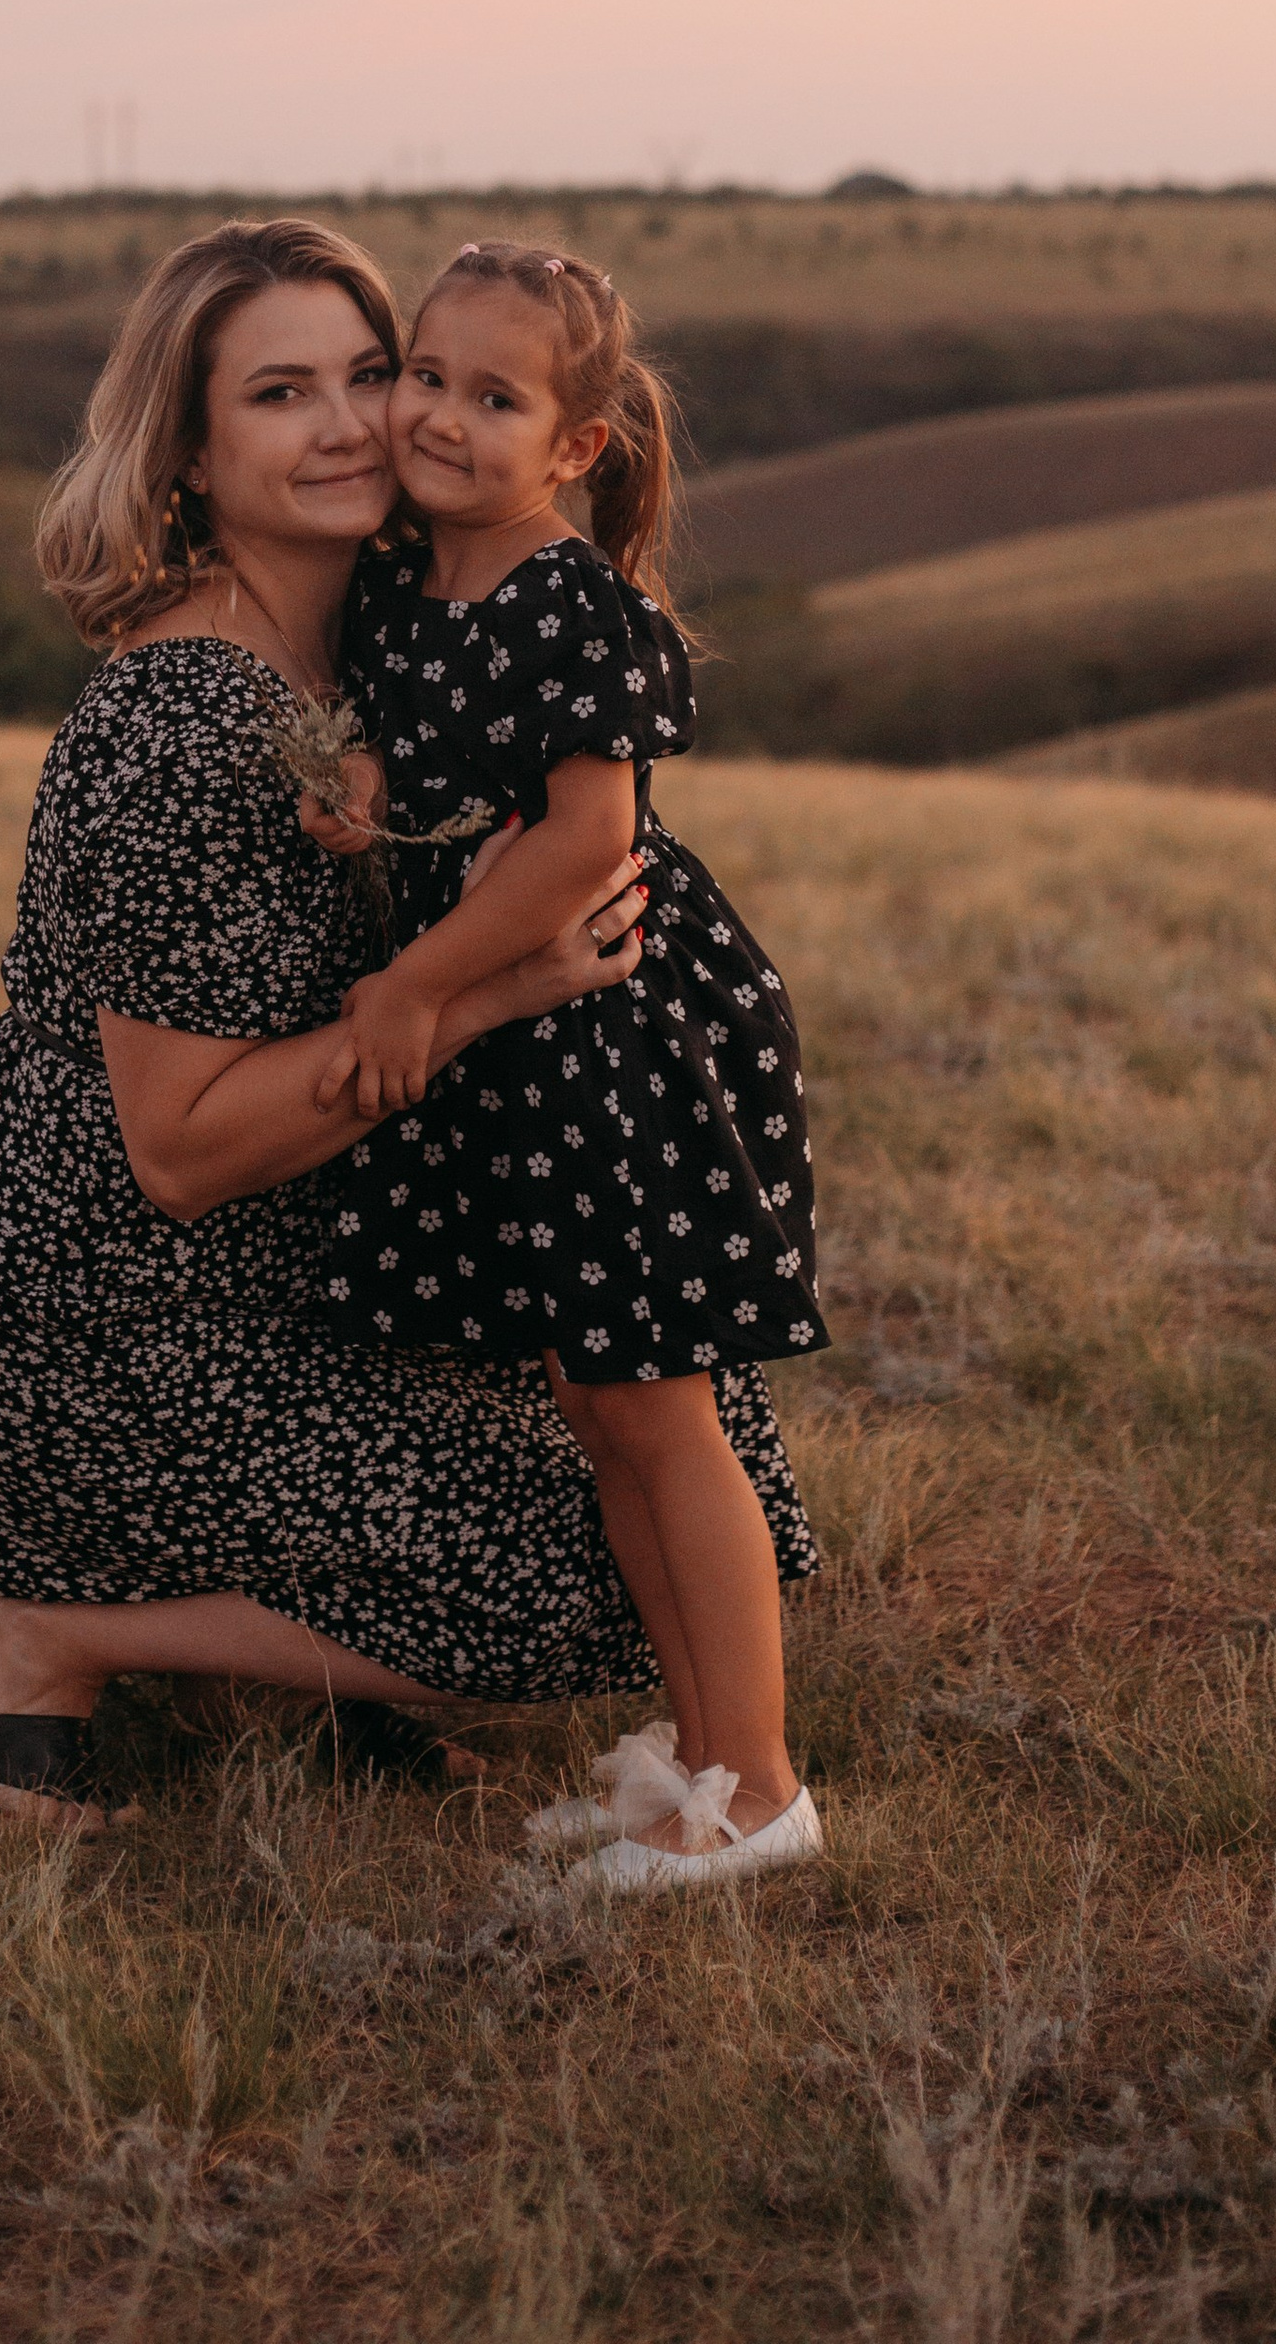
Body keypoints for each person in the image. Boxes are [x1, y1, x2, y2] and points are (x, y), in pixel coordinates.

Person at [0, 216, 734, 1826]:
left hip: (313, 1255)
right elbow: (182, 1157)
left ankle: (294, 1658)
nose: (353, 425)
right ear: (188, 454)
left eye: (371, 372)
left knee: (687, 1469)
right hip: (102, 1308)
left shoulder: (398, 632)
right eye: (279, 394)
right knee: (580, 1585)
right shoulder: (181, 729)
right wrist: (496, 992)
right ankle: (26, 1636)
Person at [312, 239, 826, 1890]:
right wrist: (366, 785)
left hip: (610, 1033)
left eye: (494, 395)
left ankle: (760, 1788)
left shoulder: (573, 604)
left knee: (668, 1418)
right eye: (425, 376)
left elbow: (584, 838)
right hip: (524, 1048)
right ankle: (690, 1758)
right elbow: (427, 754)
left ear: (575, 446)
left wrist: (410, 986)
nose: (438, 418)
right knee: (601, 1414)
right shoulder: (406, 583)